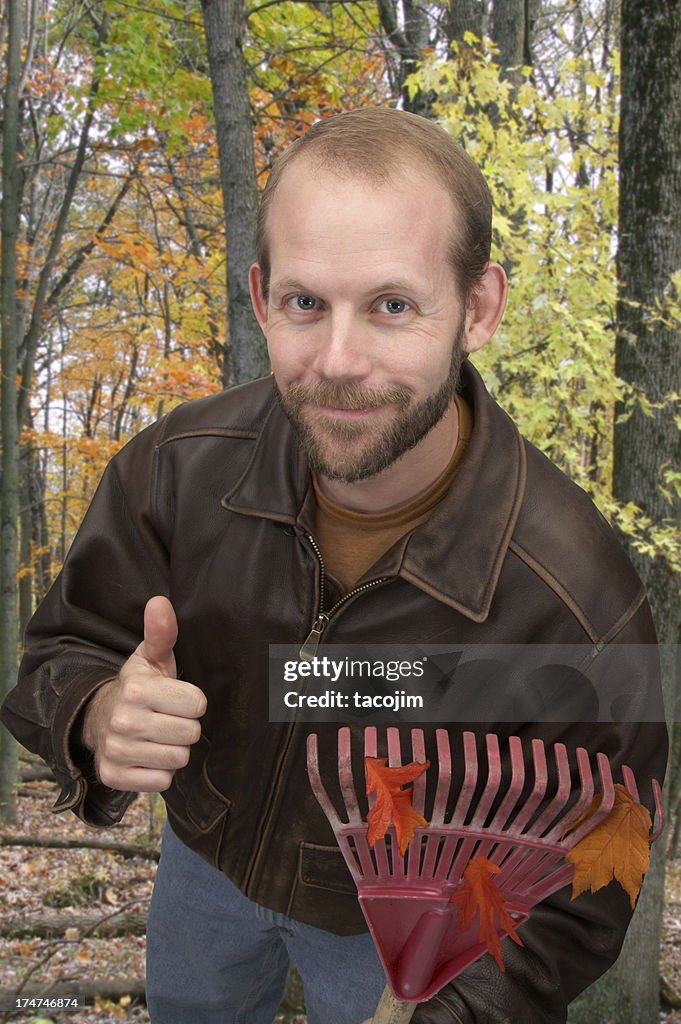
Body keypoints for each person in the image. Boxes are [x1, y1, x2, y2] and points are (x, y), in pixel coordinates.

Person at [1, 107, 667, 1024]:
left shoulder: (577, 601)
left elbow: (597, 871)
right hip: (205, 872)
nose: (339, 361)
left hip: (403, 942)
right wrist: (97, 713)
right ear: (261, 294)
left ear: (476, 309)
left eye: (392, 305)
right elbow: (62, 649)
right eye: (306, 304)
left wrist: (454, 1008)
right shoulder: (176, 470)